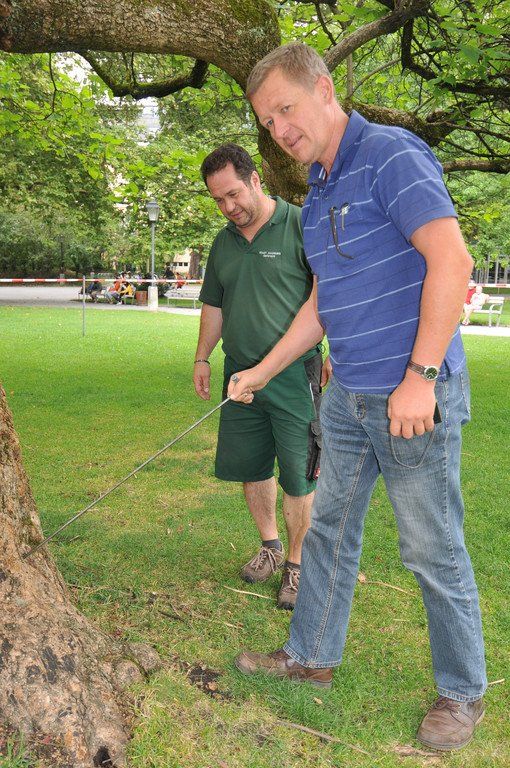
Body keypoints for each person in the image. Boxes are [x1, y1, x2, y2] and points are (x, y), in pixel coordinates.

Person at [228, 43, 486, 751]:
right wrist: (262, 369)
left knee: (431, 548)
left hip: (410, 399)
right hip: (347, 398)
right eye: (267, 121)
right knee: (330, 531)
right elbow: (322, 302)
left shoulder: (391, 155)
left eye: (286, 109)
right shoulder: (317, 190)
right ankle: (310, 656)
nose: (280, 129)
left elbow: (453, 259)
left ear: (324, 89)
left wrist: (420, 379)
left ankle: (463, 691)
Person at [194, 142, 328, 610]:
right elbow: (214, 305)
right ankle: (270, 546)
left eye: (233, 194)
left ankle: (297, 563)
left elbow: (327, 297)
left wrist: (333, 352)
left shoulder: (302, 225)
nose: (228, 207)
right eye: (218, 200)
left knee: (298, 475)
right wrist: (202, 358)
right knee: (252, 467)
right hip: (239, 377)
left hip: (293, 376)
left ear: (255, 179)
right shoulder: (223, 243)